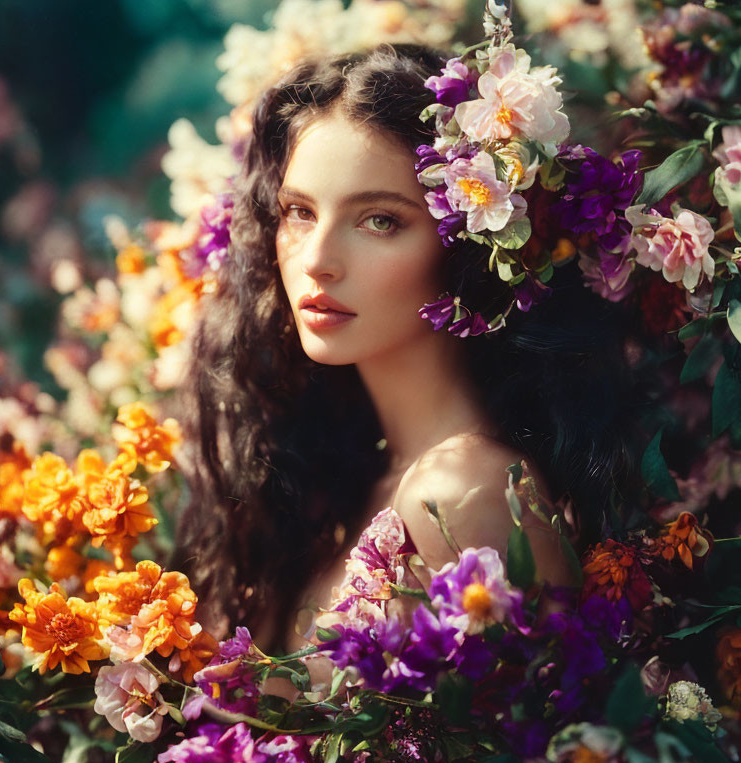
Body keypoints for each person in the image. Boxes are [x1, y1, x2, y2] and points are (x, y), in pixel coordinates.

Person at [170, 43, 637, 652]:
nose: (317, 261)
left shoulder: (467, 492)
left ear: (468, 244)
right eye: (299, 212)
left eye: (380, 221)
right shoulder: (345, 480)